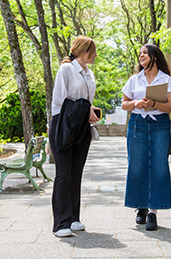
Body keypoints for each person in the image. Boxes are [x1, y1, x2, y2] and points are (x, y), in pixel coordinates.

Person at [121, 44, 171, 231]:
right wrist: (136, 103)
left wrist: (154, 103)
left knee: (159, 166)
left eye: (145, 53)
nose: (141, 56)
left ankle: (153, 212)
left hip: (159, 125)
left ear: (154, 56)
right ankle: (141, 207)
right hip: (137, 123)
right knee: (137, 165)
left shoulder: (167, 80)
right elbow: (124, 104)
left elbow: (170, 107)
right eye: (140, 54)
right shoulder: (134, 80)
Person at [48, 35, 100, 237]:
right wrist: (83, 108)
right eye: (91, 51)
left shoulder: (89, 73)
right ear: (81, 50)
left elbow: (83, 100)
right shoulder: (66, 70)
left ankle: (73, 218)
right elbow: (59, 103)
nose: (94, 55)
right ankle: (61, 223)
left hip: (82, 128)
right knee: (63, 174)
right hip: (63, 126)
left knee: (76, 172)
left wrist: (89, 110)